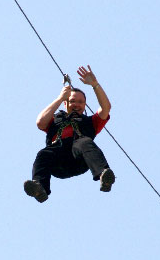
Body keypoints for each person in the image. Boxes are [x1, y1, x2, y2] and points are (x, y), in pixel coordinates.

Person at [24, 65, 115, 203]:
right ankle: (39, 188)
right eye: (72, 101)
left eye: (80, 102)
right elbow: (40, 122)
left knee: (84, 142)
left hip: (79, 159)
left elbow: (106, 108)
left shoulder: (90, 122)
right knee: (43, 154)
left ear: (85, 105)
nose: (76, 104)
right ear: (65, 104)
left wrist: (95, 84)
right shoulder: (54, 120)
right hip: (58, 161)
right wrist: (60, 98)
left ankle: (104, 176)